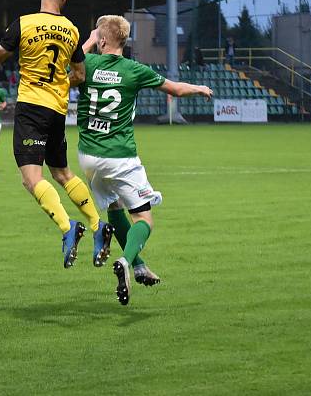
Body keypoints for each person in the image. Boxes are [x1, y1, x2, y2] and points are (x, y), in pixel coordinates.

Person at [0, 0, 113, 268]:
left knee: (31, 179)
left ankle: (68, 227)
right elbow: (80, 76)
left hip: (32, 108)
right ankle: (99, 225)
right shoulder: (71, 30)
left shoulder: (24, 23)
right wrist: (59, 83)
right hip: (57, 110)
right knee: (63, 173)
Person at [78, 15, 213, 305]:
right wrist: (199, 88)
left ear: (102, 40)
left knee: (114, 207)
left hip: (88, 155)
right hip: (120, 156)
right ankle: (127, 261)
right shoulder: (134, 69)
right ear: (124, 42)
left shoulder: (86, 64)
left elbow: (69, 66)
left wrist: (89, 41)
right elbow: (175, 89)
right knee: (144, 218)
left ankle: (138, 265)